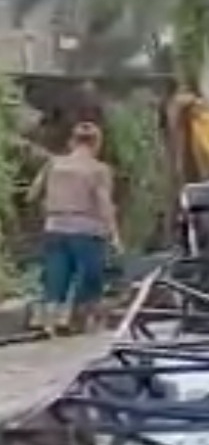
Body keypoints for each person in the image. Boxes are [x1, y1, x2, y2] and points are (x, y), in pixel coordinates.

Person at [27, 121, 119, 334]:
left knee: (55, 274)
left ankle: (48, 321)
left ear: (72, 142)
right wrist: (114, 234)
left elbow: (32, 194)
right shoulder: (98, 169)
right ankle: (76, 320)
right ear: (96, 143)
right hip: (86, 229)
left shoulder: (53, 164)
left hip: (55, 226)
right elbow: (104, 203)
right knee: (89, 275)